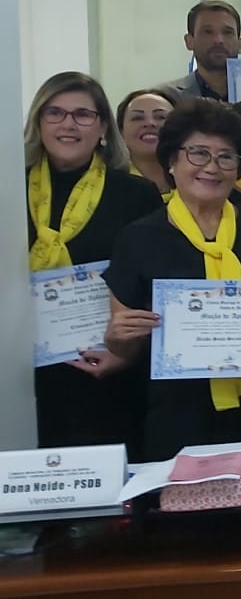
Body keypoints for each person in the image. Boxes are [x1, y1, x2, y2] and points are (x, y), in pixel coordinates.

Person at [105, 100, 241, 459]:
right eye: (199, 154)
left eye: (226, 157)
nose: (212, 167)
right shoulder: (138, 238)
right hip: (180, 417)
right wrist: (118, 337)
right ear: (172, 161)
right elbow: (124, 349)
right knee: (187, 515)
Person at [25, 72, 164, 448]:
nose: (68, 124)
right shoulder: (9, 188)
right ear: (38, 122)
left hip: (108, 368)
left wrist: (127, 354)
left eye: (82, 115)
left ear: (103, 126)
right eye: (55, 113)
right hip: (20, 373)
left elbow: (155, 282)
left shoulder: (135, 194)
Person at [161, 0, 241, 101]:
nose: (218, 40)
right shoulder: (166, 97)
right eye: (207, 32)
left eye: (227, 32)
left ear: (240, 44)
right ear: (189, 41)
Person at [116, 86, 179, 195]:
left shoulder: (198, 179)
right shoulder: (107, 185)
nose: (150, 123)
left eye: (161, 117)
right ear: (121, 132)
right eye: (138, 118)